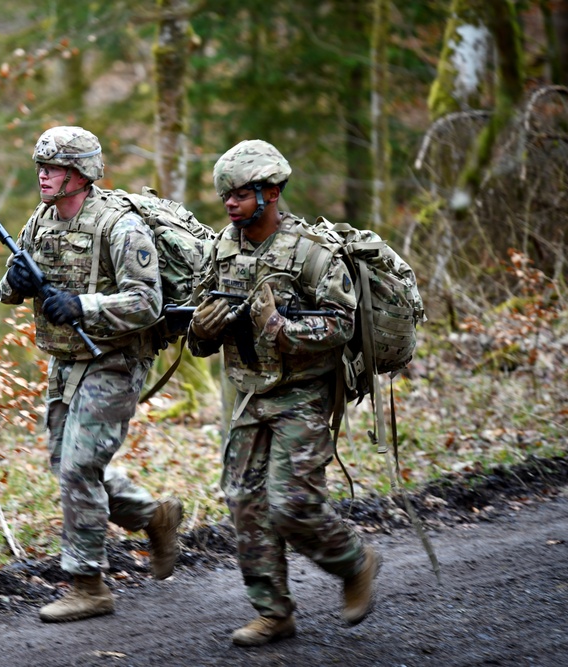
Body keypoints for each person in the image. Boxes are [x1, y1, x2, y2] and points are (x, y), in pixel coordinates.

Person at [187, 139, 381, 647]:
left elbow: (342, 324)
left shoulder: (312, 254)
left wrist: (279, 327)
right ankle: (274, 613)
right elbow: (197, 327)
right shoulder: (221, 248)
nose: (229, 203)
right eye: (224, 194)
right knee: (245, 504)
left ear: (270, 192)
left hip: (303, 395)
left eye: (239, 193)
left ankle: (354, 563)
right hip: (249, 393)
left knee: (291, 505)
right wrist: (203, 330)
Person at [0, 126, 183, 623]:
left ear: (79, 174)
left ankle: (88, 584)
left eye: (52, 167)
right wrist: (13, 284)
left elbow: (148, 302)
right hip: (65, 361)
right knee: (67, 466)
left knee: (79, 467)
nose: (42, 175)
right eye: (41, 166)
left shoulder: (120, 227)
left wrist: (83, 304)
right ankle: (153, 515)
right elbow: (11, 290)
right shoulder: (41, 221)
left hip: (116, 360)